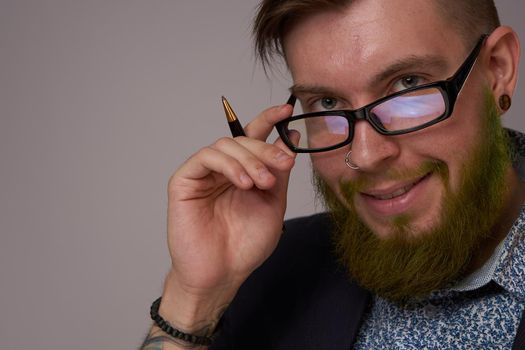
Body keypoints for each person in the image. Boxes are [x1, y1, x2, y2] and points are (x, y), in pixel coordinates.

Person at [141, 0, 525, 349]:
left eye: (408, 84)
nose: (365, 155)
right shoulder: (277, 269)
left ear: (497, 69)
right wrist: (193, 301)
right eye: (327, 103)